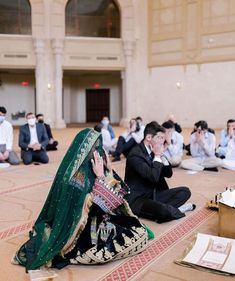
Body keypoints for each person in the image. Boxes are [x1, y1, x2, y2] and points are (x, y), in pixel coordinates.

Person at [12, 128, 148, 275]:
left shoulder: (86, 168)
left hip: (92, 220)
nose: (99, 152)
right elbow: (104, 206)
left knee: (135, 227)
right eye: (96, 147)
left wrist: (109, 170)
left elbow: (122, 195)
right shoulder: (78, 179)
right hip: (81, 231)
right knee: (137, 235)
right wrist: (102, 177)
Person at [124, 121, 195, 224]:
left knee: (185, 191)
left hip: (153, 193)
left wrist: (162, 156)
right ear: (149, 138)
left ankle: (167, 210)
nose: (163, 140)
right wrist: (157, 156)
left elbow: (168, 174)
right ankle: (174, 210)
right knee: (162, 210)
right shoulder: (135, 155)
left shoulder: (154, 151)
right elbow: (153, 177)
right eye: (160, 138)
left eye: (163, 137)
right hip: (138, 200)